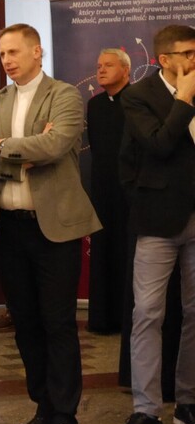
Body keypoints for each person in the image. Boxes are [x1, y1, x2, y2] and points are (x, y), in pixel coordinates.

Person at [0, 24, 101, 424]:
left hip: (54, 229)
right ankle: (43, 408)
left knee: (58, 322)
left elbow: (56, 146)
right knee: (26, 323)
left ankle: (65, 415)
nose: (7, 60)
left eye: (14, 51)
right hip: (8, 229)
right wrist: (23, 149)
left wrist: (0, 144)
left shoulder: (64, 94)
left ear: (37, 52)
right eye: (2, 53)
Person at [109, 24, 195, 424]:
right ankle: (147, 411)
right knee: (147, 314)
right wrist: (184, 99)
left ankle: (188, 401)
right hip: (157, 220)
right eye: (189, 53)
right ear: (165, 59)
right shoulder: (139, 95)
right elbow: (159, 145)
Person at [87, 48, 131, 335]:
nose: (101, 70)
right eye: (99, 65)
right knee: (103, 251)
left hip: (130, 191)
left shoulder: (138, 101)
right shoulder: (94, 105)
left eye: (108, 65)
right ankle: (103, 319)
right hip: (102, 190)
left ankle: (127, 318)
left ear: (126, 70)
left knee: (127, 251)